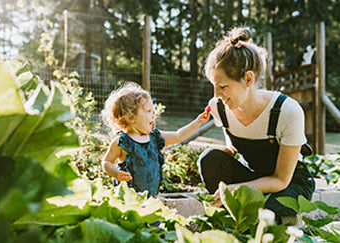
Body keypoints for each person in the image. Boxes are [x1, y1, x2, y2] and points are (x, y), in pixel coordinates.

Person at [197, 27, 315, 224]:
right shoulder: (219, 106)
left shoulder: (287, 111)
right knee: (209, 159)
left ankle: (284, 220)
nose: (216, 94)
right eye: (214, 85)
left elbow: (280, 180)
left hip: (288, 185)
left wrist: (240, 189)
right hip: (254, 177)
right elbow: (232, 143)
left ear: (248, 79)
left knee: (261, 211)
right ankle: (232, 215)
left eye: (223, 87)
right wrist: (228, 156)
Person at [101, 82, 210, 197]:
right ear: (130, 117)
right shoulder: (122, 142)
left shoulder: (155, 138)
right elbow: (107, 162)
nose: (153, 116)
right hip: (128, 198)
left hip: (151, 197)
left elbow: (179, 136)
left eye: (153, 111)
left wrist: (198, 122)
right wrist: (116, 173)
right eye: (148, 111)